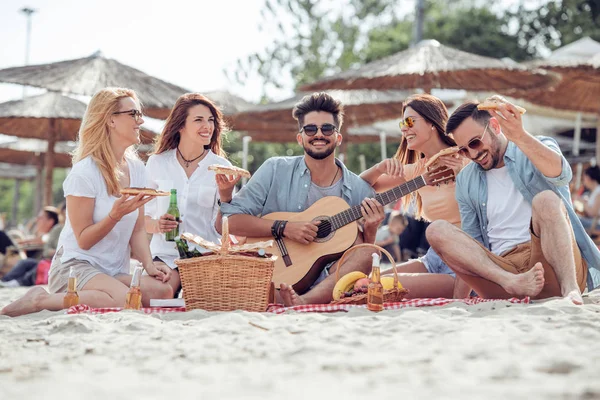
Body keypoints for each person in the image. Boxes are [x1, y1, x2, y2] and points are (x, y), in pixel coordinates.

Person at [1, 87, 173, 317]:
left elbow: (139, 229)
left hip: (112, 271)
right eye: (133, 114)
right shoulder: (85, 172)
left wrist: (150, 265)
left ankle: (105, 292)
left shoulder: (137, 169)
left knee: (163, 291)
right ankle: (40, 299)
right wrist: (115, 215)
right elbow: (83, 240)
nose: (140, 120)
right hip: (75, 266)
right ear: (111, 120)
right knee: (125, 300)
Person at [425, 100, 600, 305]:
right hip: (502, 275)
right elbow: (474, 241)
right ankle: (513, 282)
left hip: (551, 263)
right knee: (436, 230)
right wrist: (459, 301)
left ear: (495, 126)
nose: (472, 154)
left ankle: (571, 291)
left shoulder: (538, 146)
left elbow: (562, 175)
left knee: (546, 199)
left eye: (475, 143)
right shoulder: (466, 179)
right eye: (463, 150)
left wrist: (520, 136)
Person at [219, 92, 385, 306]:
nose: (319, 134)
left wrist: (371, 229)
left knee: (369, 252)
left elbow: (359, 254)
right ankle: (289, 298)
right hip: (276, 272)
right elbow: (229, 221)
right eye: (310, 129)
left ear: (338, 137)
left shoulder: (359, 189)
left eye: (327, 128)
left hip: (327, 279)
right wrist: (285, 227)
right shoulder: (274, 169)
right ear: (300, 137)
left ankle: (303, 301)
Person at [360, 94, 470, 298]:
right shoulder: (418, 170)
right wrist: (379, 167)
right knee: (363, 284)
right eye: (402, 123)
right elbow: (360, 187)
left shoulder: (465, 158)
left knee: (376, 289)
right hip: (433, 258)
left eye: (410, 121)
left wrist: (462, 178)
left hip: (465, 264)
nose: (404, 128)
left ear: (432, 123)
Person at [145, 93, 239, 296]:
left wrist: (226, 197)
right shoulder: (157, 163)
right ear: (180, 125)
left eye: (211, 120)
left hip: (205, 257)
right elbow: (141, 219)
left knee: (203, 298)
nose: (207, 126)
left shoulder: (222, 167)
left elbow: (228, 227)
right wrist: (157, 225)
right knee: (157, 292)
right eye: (199, 120)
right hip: (165, 255)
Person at [0, 206, 63, 288]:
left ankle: (15, 282)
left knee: (30, 264)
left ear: (50, 221)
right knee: (26, 263)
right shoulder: (48, 233)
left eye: (40, 218)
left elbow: (42, 240)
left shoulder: (54, 233)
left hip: (45, 264)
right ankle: (4, 281)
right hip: (36, 260)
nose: (37, 220)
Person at [574, 165, 600, 231]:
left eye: (584, 179)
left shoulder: (598, 192)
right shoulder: (595, 191)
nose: (584, 181)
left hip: (596, 224)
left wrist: (582, 201)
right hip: (593, 222)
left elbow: (593, 213)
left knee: (573, 220)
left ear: (588, 178)